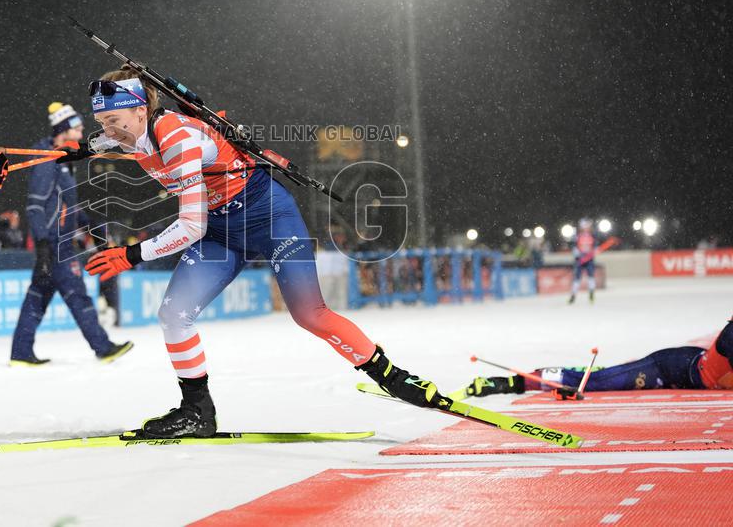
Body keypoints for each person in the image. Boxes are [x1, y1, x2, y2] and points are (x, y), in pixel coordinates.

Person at [78, 68, 441, 438]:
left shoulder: (178, 137)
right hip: (221, 233)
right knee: (173, 315)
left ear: (141, 110)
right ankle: (197, 412)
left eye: (113, 119)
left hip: (269, 220)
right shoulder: (127, 135)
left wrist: (132, 255)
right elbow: (90, 146)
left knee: (309, 315)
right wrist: (33, 156)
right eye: (101, 121)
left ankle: (391, 377)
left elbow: (191, 226)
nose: (109, 129)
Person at [9, 102, 132, 366]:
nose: (82, 130)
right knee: (77, 294)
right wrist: (42, 243)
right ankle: (103, 347)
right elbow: (35, 204)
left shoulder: (62, 160)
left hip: (58, 240)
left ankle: (20, 353)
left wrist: (93, 229)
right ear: (63, 129)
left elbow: (68, 206)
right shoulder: (46, 159)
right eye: (77, 127)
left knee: (37, 298)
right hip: (56, 243)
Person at [462, 317, 733, 397]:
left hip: (691, 364)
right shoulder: (730, 336)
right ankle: (511, 383)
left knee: (609, 375)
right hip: (669, 368)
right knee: (595, 383)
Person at [568, 217, 600, 304]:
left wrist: (595, 251)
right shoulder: (577, 236)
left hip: (589, 260)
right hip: (580, 260)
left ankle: (591, 294)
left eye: (588, 225)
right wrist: (577, 253)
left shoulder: (593, 235)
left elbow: (596, 246)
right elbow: (573, 246)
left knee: (591, 277)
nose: (587, 227)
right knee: (577, 278)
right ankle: (573, 295)